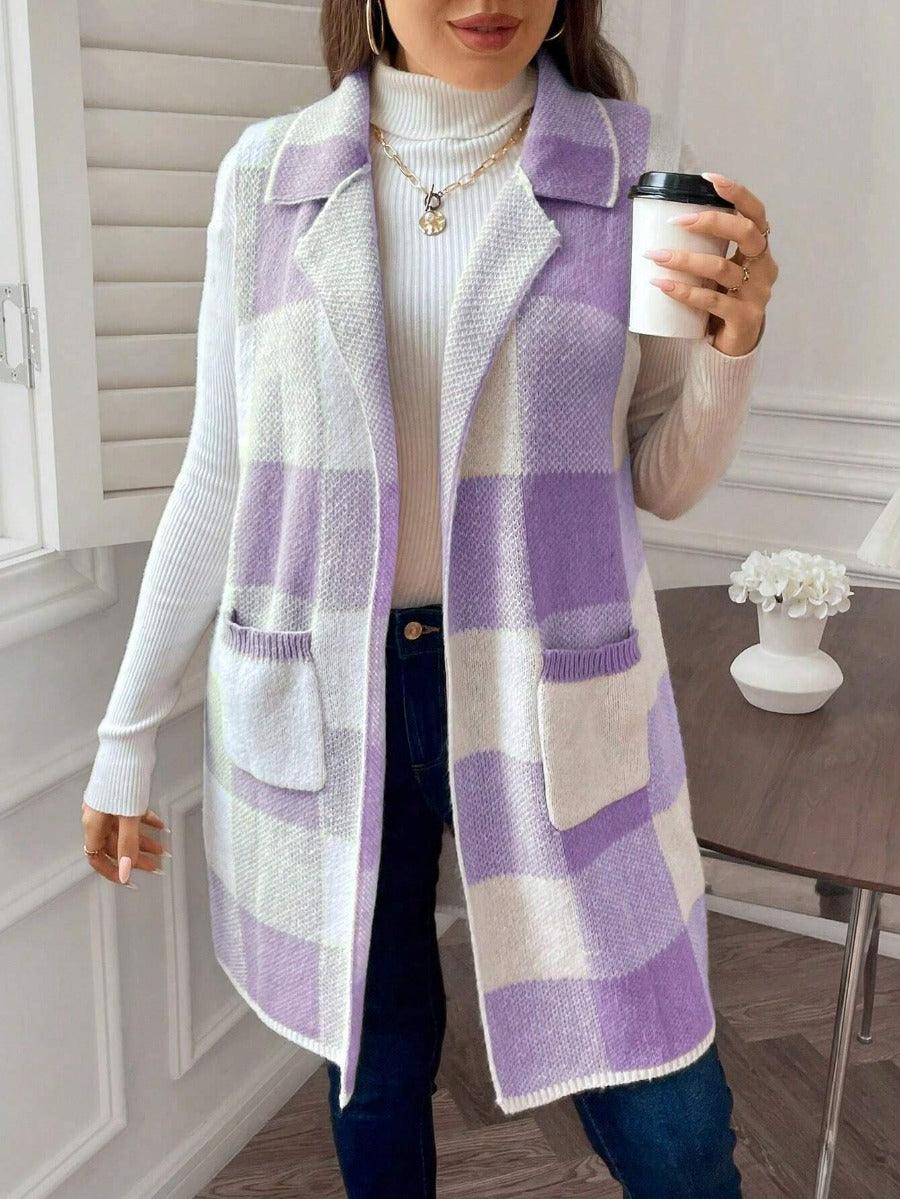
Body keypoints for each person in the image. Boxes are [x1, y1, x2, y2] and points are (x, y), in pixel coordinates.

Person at [81, 2, 778, 1195]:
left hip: (545, 693)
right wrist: (124, 730)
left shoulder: (630, 169)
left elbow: (660, 477)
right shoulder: (268, 175)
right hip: (331, 688)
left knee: (670, 1113)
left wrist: (733, 346)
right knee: (378, 1061)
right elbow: (220, 472)